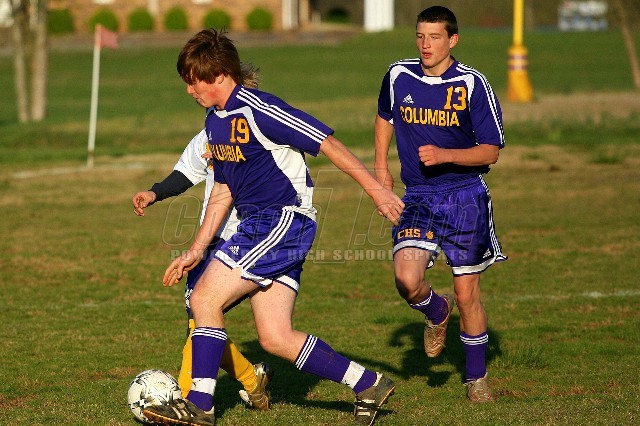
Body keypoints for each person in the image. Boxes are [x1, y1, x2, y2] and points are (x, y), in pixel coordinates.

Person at [143, 28, 404, 426]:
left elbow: (327, 143)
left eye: (193, 82)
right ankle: (368, 383)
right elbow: (223, 190)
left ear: (218, 76)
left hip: (282, 219)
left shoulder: (260, 108)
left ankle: (200, 405)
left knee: (204, 299)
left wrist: (377, 192)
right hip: (263, 225)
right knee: (275, 337)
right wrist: (196, 249)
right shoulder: (215, 121)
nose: (189, 90)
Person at [373, 6, 507, 403]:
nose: (425, 45)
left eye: (434, 37)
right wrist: (381, 168)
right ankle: (436, 311)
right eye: (420, 36)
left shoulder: (472, 84)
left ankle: (476, 378)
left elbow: (490, 151)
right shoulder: (398, 75)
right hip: (418, 196)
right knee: (406, 279)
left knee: (467, 294)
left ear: (453, 40)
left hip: (465, 197)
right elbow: (385, 117)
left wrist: (446, 155)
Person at [132, 65, 273, 410]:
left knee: (201, 318)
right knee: (201, 318)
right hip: (210, 240)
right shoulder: (209, 134)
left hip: (248, 237)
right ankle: (251, 379)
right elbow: (186, 172)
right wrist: (154, 193)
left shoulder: (258, 133)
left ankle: (185, 398)